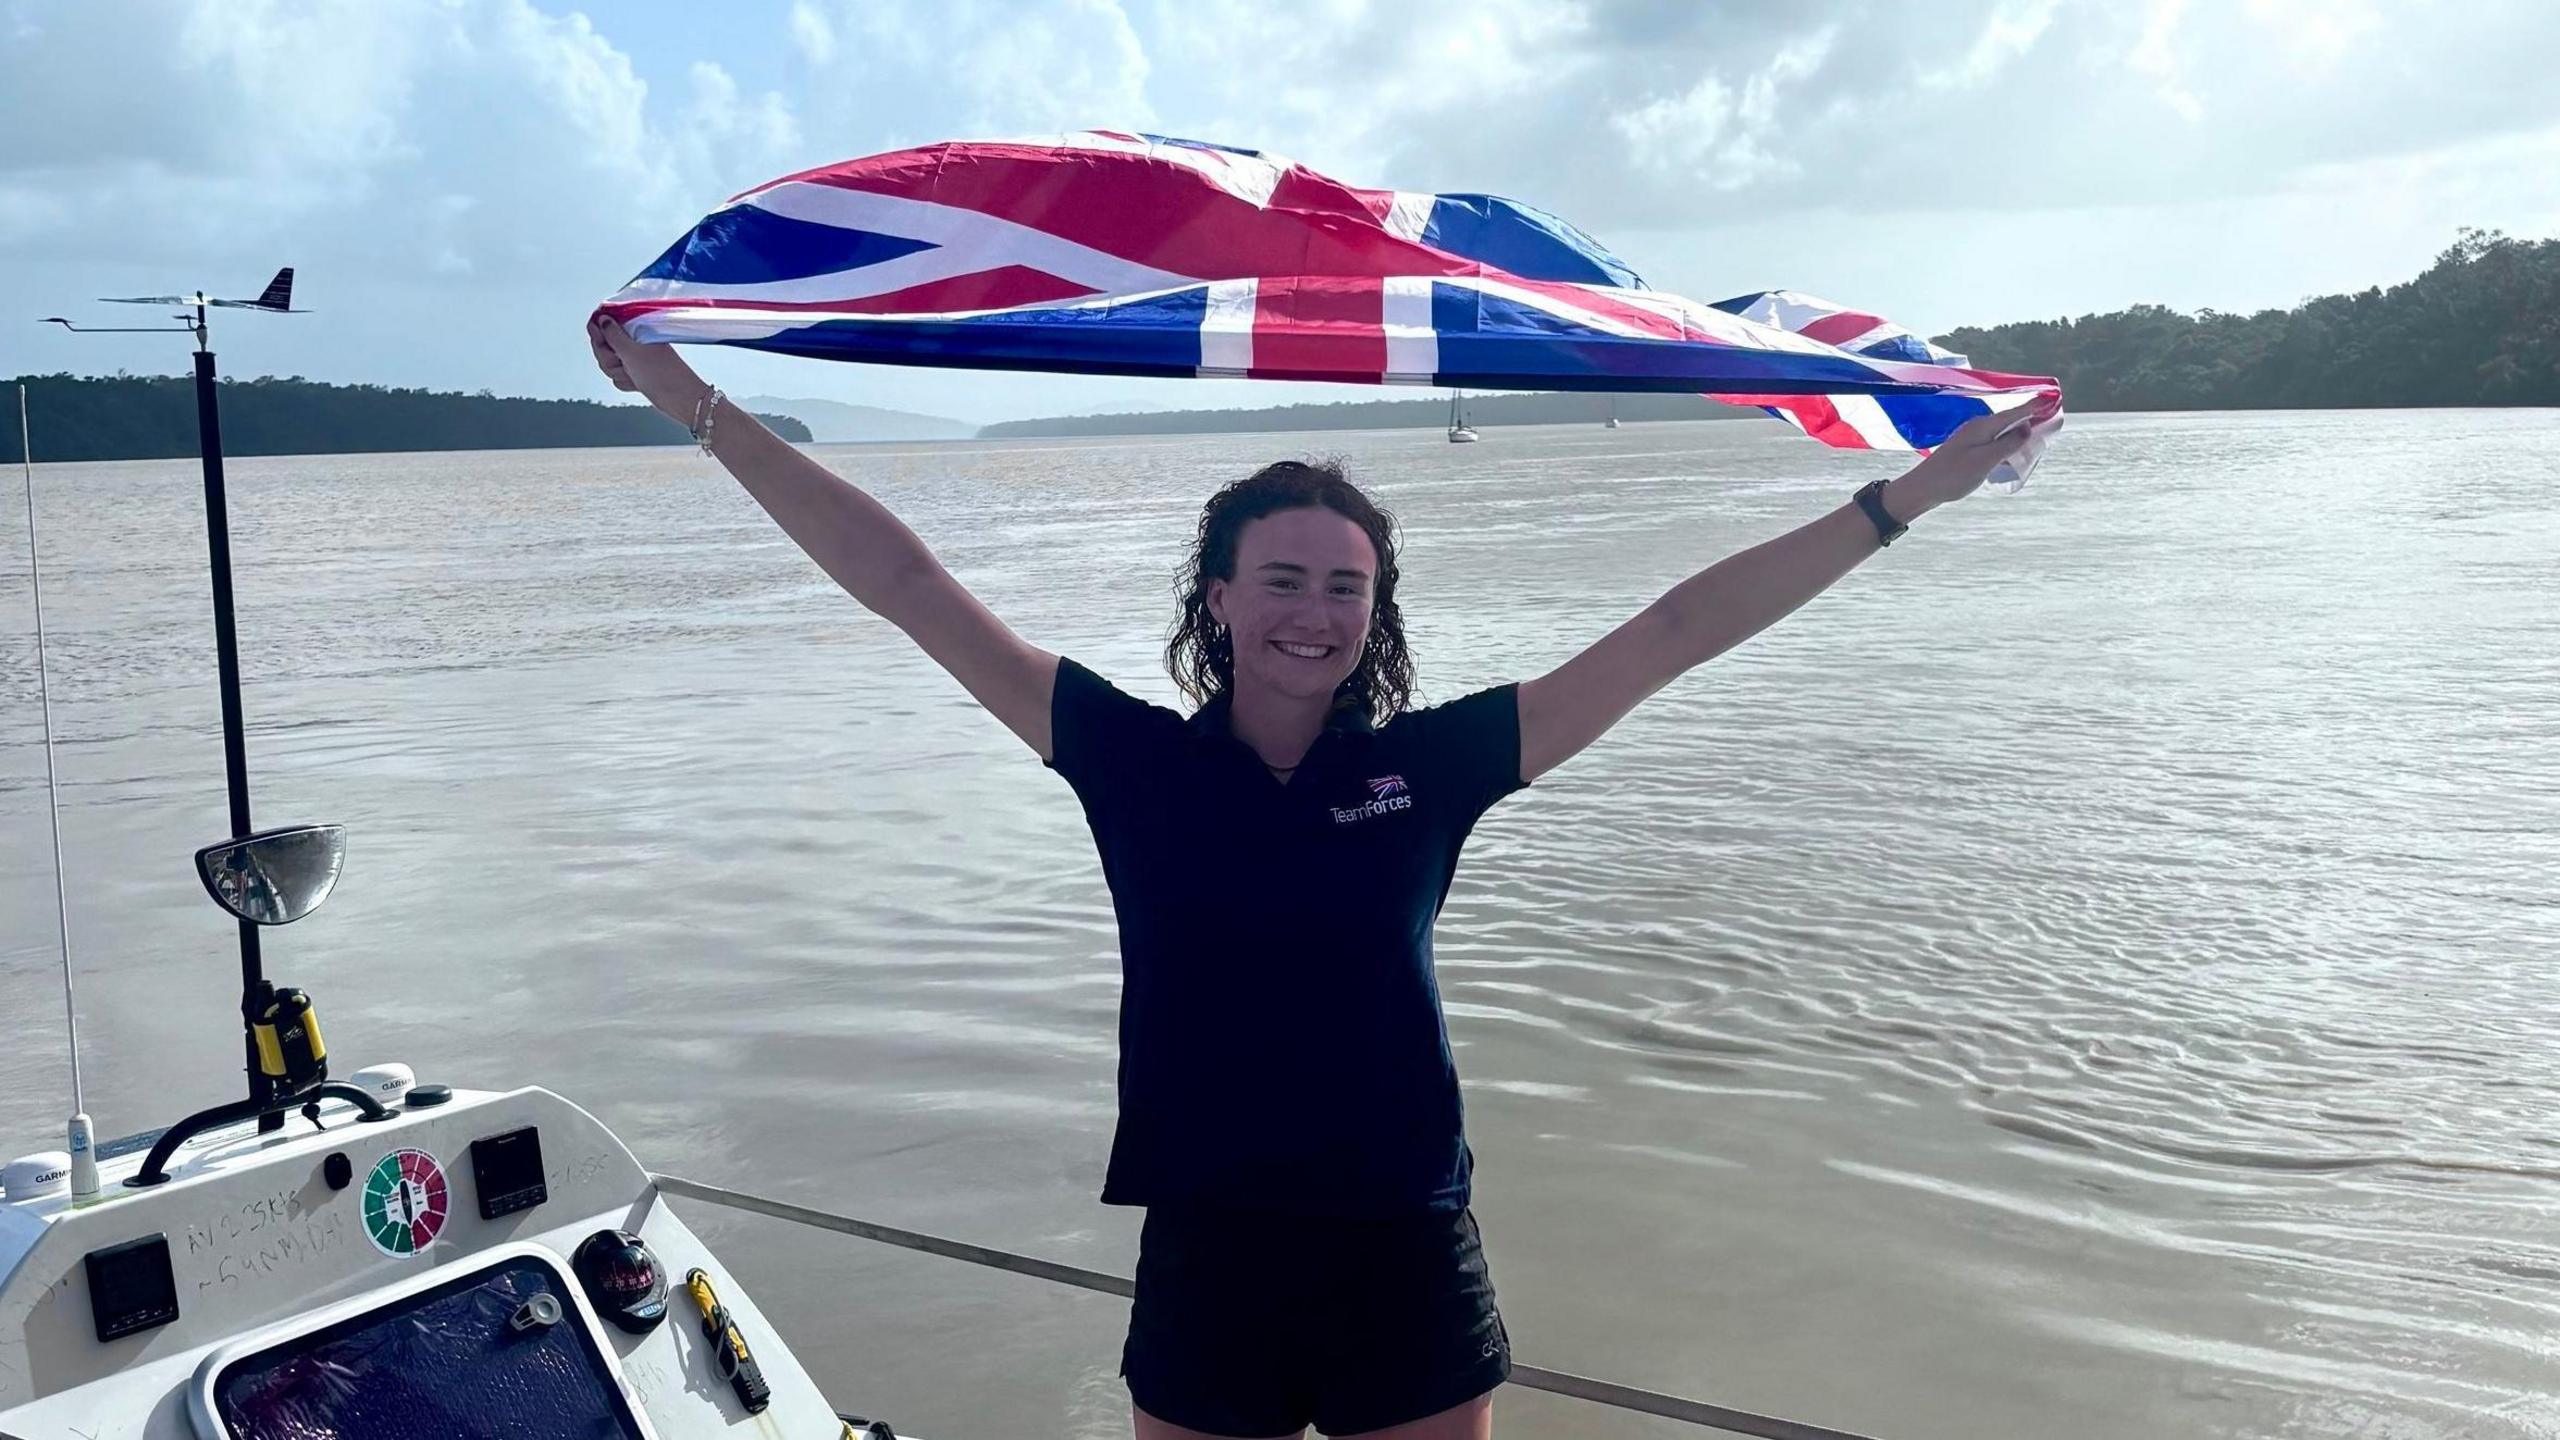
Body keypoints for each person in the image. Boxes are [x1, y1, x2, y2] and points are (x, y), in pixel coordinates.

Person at [587, 314, 2055, 1440]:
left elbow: (1674, 627)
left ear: (1377, 614)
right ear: (1217, 599)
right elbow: (907, 583)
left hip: (1405, 1248)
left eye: (1345, 585)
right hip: (1210, 1247)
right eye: (1280, 578)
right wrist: (700, 406)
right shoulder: (1130, 760)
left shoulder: (1431, 769)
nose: (1313, 611)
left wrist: (1904, 500)